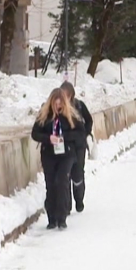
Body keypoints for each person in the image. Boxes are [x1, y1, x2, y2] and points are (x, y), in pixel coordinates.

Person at [30, 88, 84, 230]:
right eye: (55, 104)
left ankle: (62, 216)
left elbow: (80, 133)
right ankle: (52, 218)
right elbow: (35, 134)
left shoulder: (71, 116)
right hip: (49, 154)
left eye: (60, 104)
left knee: (62, 182)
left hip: (66, 154)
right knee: (51, 184)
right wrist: (49, 138)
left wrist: (64, 137)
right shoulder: (44, 116)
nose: (58, 107)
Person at [60, 81, 94, 213]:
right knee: (65, 174)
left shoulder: (79, 105)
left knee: (78, 172)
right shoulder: (59, 107)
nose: (64, 98)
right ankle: (67, 205)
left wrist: (85, 133)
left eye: (67, 95)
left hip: (79, 146)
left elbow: (89, 120)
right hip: (65, 146)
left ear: (72, 95)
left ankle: (79, 199)